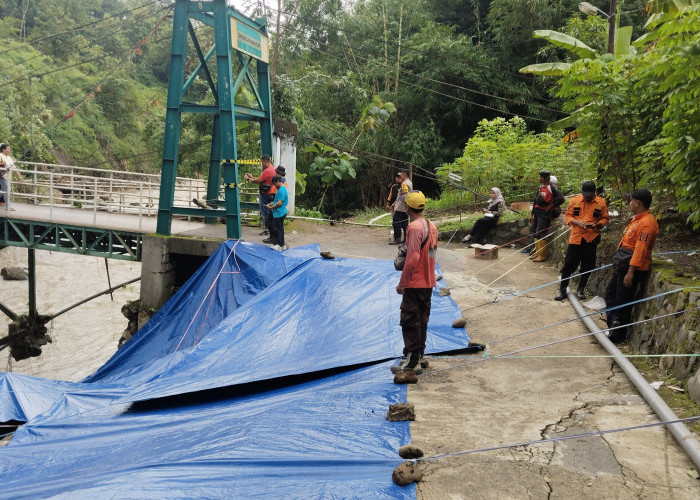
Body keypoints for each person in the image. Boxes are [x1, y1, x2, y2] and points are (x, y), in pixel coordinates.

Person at [605, 189, 658, 343]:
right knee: (611, 293)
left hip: (632, 268)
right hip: (623, 264)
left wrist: (631, 271)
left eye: (631, 200)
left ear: (638, 202)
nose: (629, 203)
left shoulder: (647, 223)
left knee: (623, 301)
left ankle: (618, 335)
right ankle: (612, 327)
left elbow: (641, 248)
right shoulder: (637, 219)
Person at [395, 190, 438, 374]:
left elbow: (412, 257)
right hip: (428, 281)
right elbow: (432, 254)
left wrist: (403, 282)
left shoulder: (413, 228)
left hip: (414, 283)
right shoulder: (432, 226)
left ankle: (411, 359)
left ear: (407, 207)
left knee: (410, 319)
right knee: (422, 319)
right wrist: (430, 273)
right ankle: (419, 353)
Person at [555, 181, 609, 301]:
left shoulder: (601, 202)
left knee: (588, 265)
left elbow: (605, 217)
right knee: (569, 264)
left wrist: (598, 224)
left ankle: (580, 289)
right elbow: (568, 216)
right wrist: (577, 222)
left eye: (589, 195)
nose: (587, 197)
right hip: (576, 237)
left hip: (591, 238)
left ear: (594, 193)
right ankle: (562, 290)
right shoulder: (575, 200)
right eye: (585, 194)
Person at [523, 169, 565, 262]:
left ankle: (542, 256)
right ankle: (537, 253)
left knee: (540, 233)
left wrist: (551, 206)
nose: (540, 178)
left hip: (544, 213)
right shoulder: (540, 187)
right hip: (537, 211)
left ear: (546, 178)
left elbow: (561, 199)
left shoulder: (553, 187)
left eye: (541, 177)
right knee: (535, 232)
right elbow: (535, 201)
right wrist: (532, 213)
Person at [244, 155, 276, 237]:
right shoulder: (272, 169)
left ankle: (267, 229)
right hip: (270, 193)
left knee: (265, 211)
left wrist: (248, 179)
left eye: (262, 162)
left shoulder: (267, 171)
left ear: (265, 161)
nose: (262, 164)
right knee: (269, 211)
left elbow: (258, 181)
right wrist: (252, 177)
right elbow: (261, 178)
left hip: (265, 193)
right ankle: (269, 229)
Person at [263, 166, 288, 244]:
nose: (274, 185)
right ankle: (280, 243)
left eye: (274, 183)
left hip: (278, 211)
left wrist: (272, 207)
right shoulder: (281, 186)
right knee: (279, 228)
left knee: (277, 228)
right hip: (276, 208)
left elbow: (279, 202)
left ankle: (277, 242)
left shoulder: (281, 188)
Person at [390, 169, 413, 245]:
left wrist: (398, 198)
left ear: (404, 175)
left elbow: (404, 195)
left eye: (402, 175)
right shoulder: (409, 182)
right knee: (404, 224)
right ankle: (406, 240)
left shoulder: (404, 184)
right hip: (405, 208)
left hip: (400, 207)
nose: (401, 176)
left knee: (396, 222)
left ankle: (397, 239)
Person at [0, 143, 22, 211]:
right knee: (6, 189)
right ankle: (7, 207)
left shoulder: (9, 158)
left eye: (10, 149)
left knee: (4, 191)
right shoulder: (0, 155)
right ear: (3, 149)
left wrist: (19, 176)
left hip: (5, 176)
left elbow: (14, 167)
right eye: (8, 149)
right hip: (1, 175)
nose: (9, 150)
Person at [387, 172, 402, 243]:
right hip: (393, 207)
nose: (397, 178)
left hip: (400, 207)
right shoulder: (394, 186)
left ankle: (399, 238)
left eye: (399, 177)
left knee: (399, 222)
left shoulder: (404, 186)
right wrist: (388, 204)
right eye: (397, 177)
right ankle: (397, 237)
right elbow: (390, 196)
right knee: (394, 221)